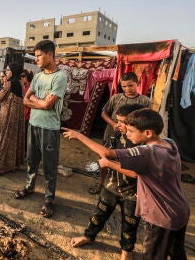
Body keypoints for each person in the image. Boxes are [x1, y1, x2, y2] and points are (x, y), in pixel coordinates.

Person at [64, 109, 190, 260]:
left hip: (162, 217)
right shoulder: (170, 143)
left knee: (153, 255)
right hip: (180, 210)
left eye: (131, 131)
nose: (127, 133)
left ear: (148, 133)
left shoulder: (146, 153)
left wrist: (78, 135)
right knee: (176, 252)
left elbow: (107, 153)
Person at [62, 103, 145, 260]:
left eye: (123, 122)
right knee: (99, 214)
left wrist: (79, 135)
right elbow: (104, 158)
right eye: (117, 120)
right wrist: (101, 181)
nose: (118, 124)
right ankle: (88, 236)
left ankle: (126, 251)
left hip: (133, 193)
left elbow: (134, 172)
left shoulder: (142, 143)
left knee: (130, 223)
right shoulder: (117, 136)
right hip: (111, 185)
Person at [13, 40, 67, 218]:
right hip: (34, 124)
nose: (36, 60)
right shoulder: (37, 76)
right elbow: (25, 100)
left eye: (38, 56)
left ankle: (49, 199)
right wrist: (40, 102)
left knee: (50, 165)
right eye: (35, 56)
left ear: (50, 54)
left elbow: (48, 105)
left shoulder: (60, 77)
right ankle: (29, 187)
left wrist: (36, 100)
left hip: (50, 128)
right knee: (31, 160)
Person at [88, 72, 150, 194]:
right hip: (111, 135)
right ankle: (100, 184)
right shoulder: (116, 98)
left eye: (130, 85)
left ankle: (125, 188)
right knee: (104, 159)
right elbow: (103, 113)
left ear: (137, 83)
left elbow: (146, 119)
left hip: (131, 139)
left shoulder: (145, 101)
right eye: (124, 86)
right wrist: (113, 124)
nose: (127, 89)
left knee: (128, 163)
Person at [0, 62, 25, 176]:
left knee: (2, 139)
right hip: (17, 117)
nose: (6, 72)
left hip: (6, 115)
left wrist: (3, 86)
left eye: (8, 70)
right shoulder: (20, 83)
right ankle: (12, 165)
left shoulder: (9, 83)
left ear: (13, 71)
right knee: (12, 139)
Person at [20, 69, 33, 154]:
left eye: (22, 77)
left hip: (28, 114)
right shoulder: (24, 87)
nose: (21, 79)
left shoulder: (30, 88)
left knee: (26, 135)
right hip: (23, 113)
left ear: (26, 77)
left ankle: (25, 152)